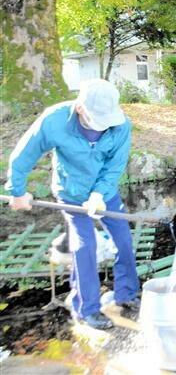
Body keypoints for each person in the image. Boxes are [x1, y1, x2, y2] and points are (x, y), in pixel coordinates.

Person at [6, 79, 139, 330]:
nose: (102, 127)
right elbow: (25, 154)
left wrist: (99, 194)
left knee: (123, 239)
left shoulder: (120, 125)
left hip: (105, 193)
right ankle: (86, 309)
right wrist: (18, 191)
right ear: (80, 108)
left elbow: (115, 165)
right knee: (84, 245)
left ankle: (127, 293)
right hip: (71, 193)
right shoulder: (55, 121)